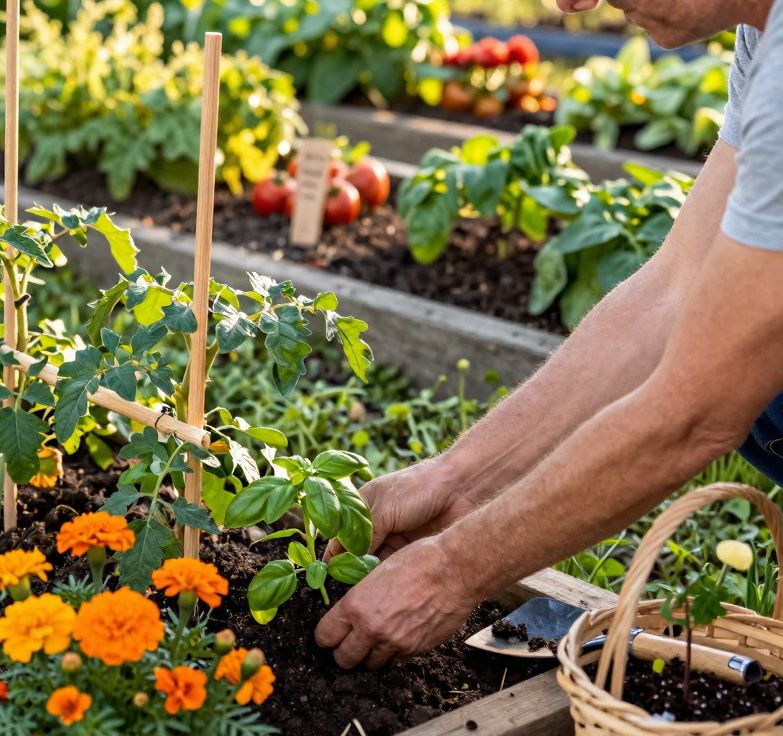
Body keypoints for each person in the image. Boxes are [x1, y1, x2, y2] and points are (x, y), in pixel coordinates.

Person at [314, 0, 783, 670]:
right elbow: (673, 290)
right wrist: (461, 479)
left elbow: (693, 412)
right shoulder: (764, 33)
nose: (570, 4)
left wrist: (453, 570)